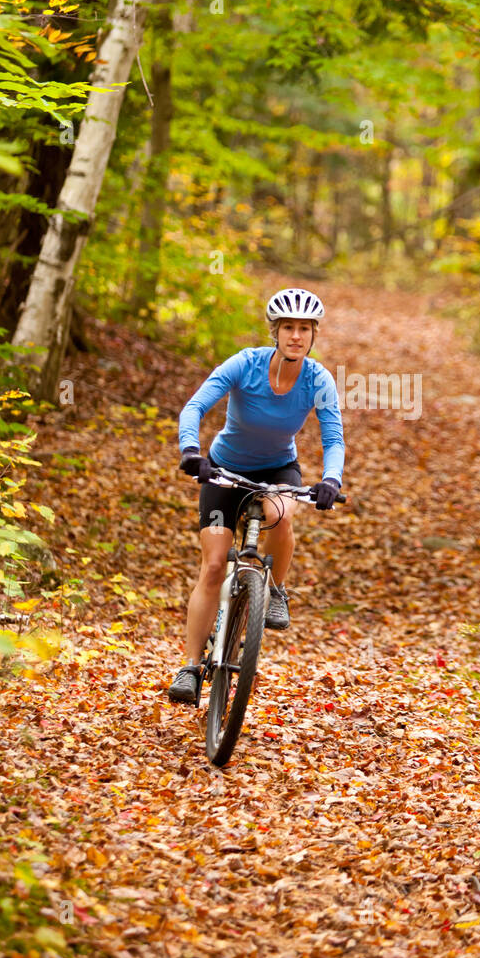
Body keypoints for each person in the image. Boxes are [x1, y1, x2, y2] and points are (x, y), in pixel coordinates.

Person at [167, 287, 345, 704]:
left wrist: (331, 480)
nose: (296, 336)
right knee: (213, 566)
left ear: (313, 334)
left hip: (277, 469)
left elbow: (333, 436)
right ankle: (190, 667)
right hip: (224, 469)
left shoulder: (318, 379)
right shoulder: (244, 364)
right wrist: (192, 451)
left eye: (304, 329)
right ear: (275, 332)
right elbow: (194, 407)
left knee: (281, 515)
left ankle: (276, 590)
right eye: (288, 328)